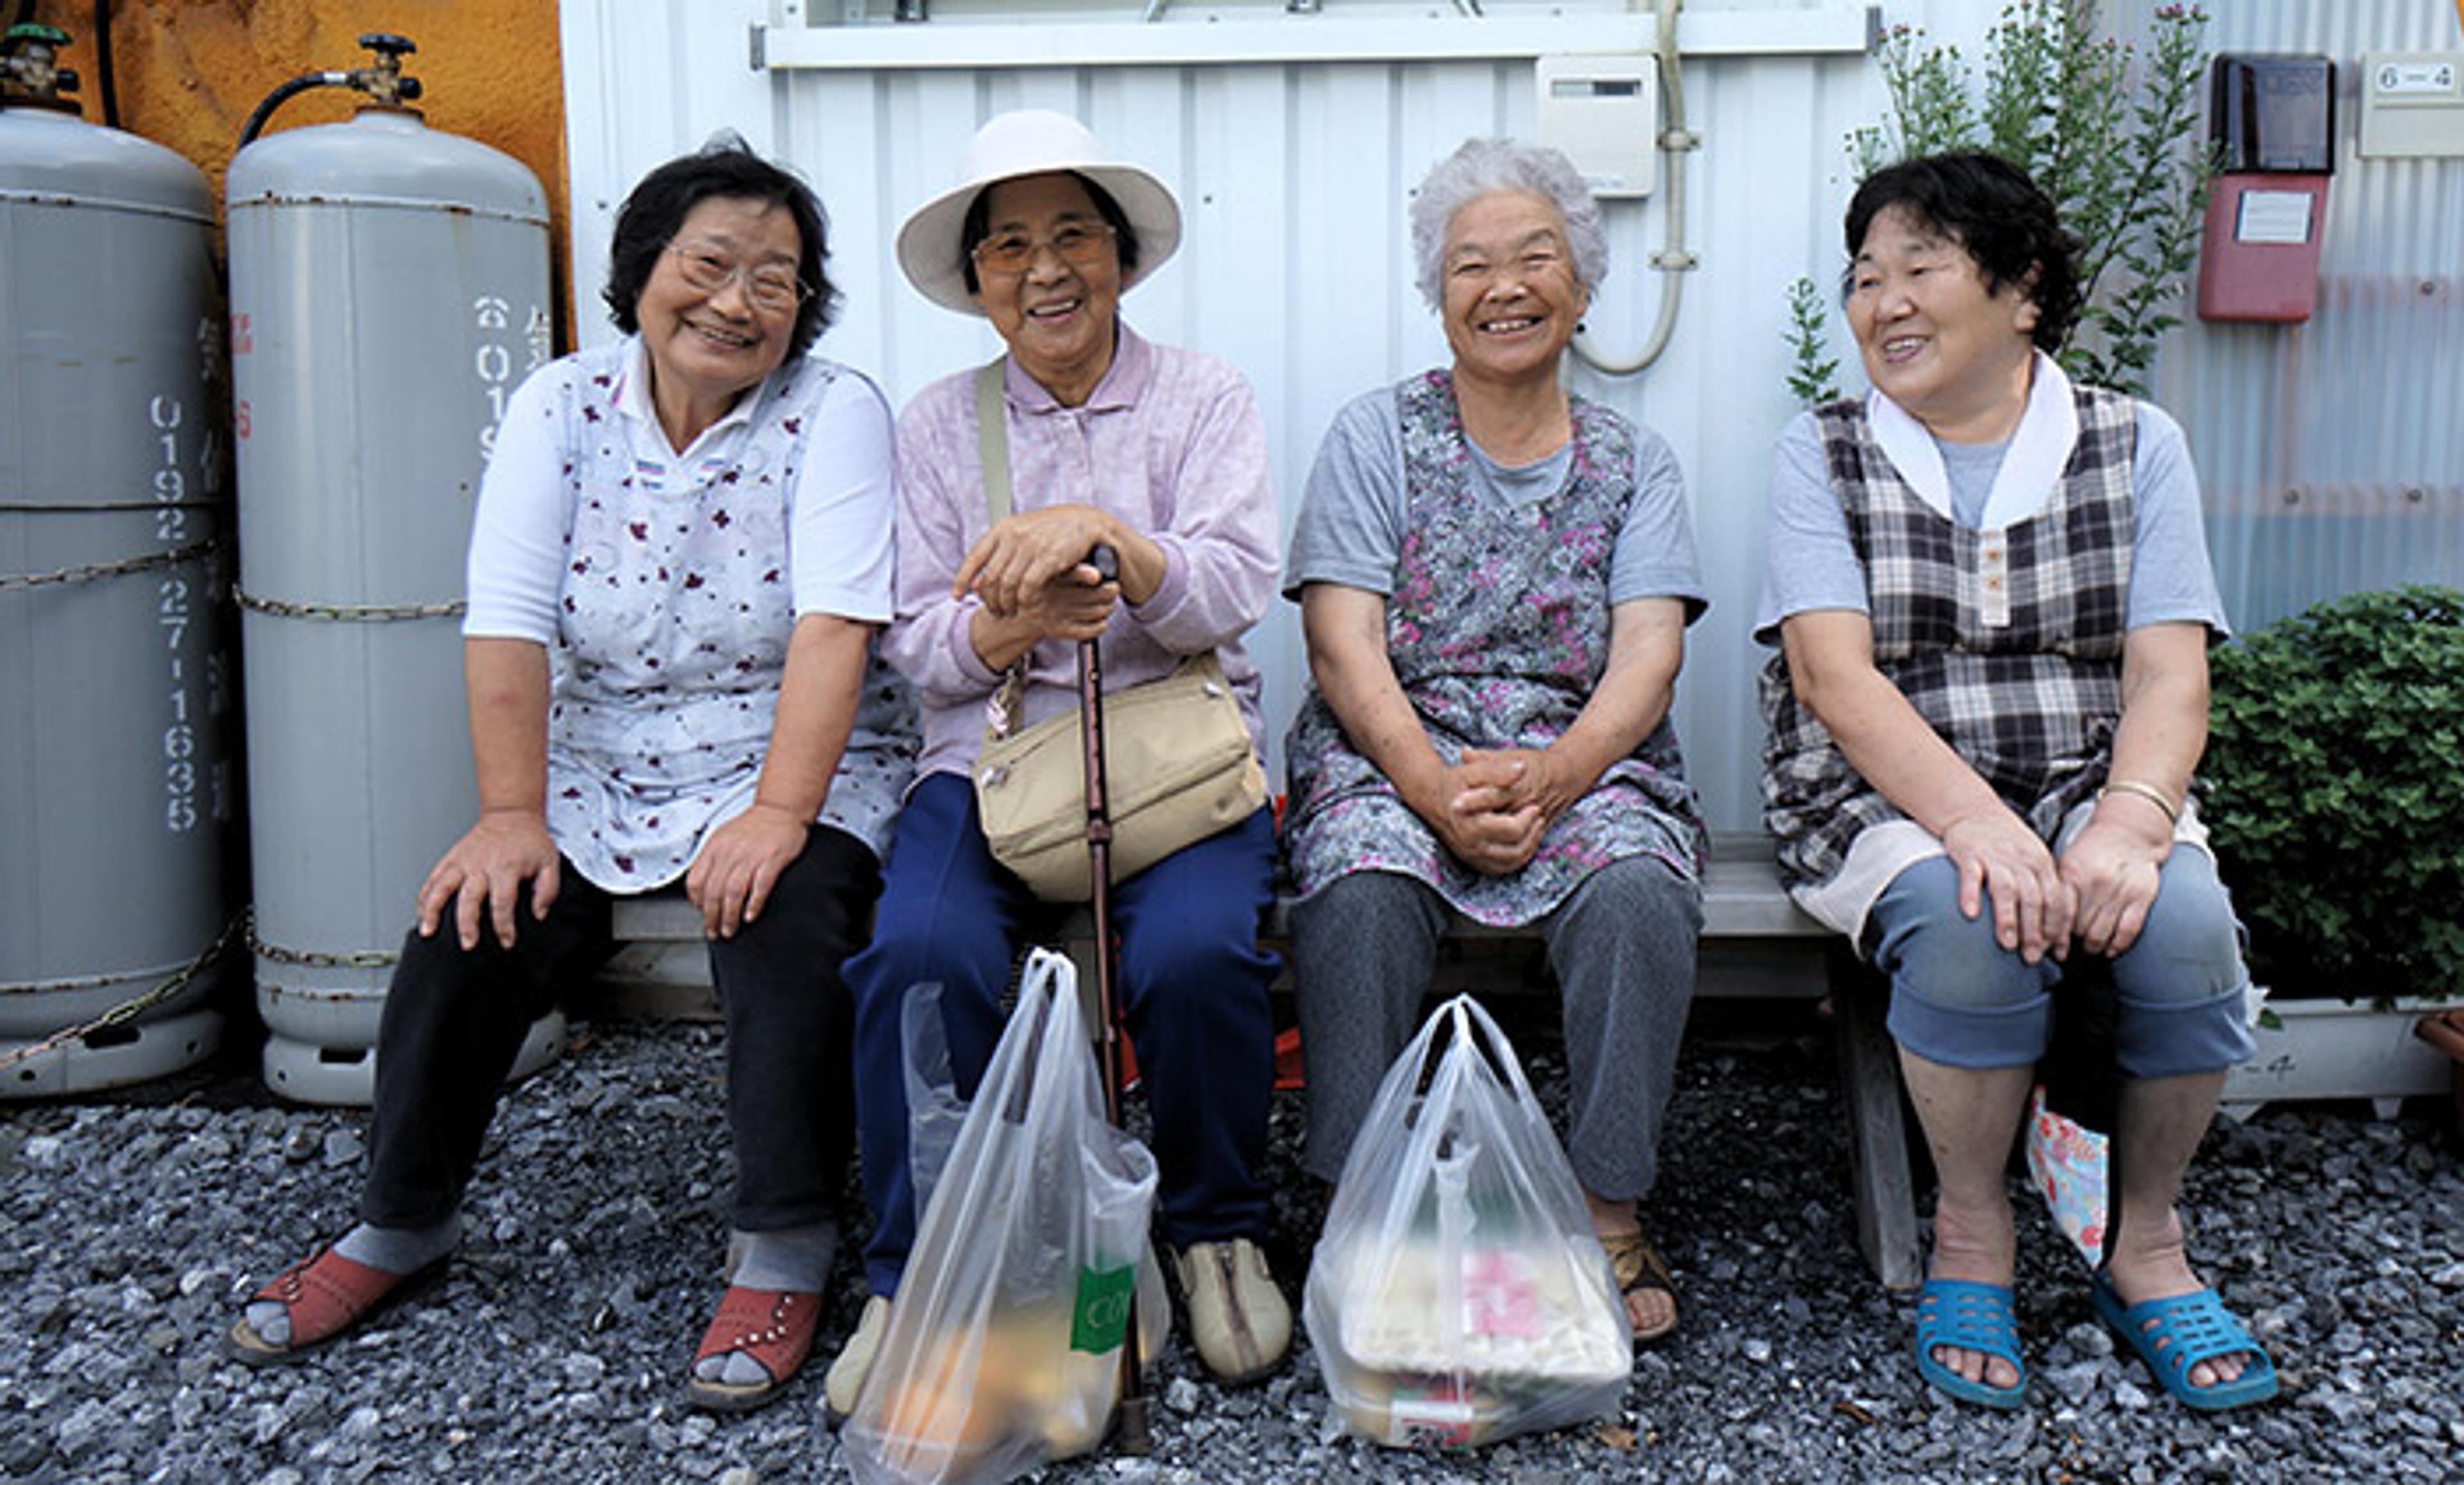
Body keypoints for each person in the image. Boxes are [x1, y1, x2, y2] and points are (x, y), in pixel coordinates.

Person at [225, 139, 914, 1417]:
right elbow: (507, 616)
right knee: (471, 914)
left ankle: (783, 1238)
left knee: (782, 906)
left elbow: (836, 626)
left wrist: (775, 812)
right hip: (600, 762)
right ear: (641, 269)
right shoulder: (561, 404)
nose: (739, 300)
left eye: (778, 278)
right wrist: (507, 814)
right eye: (709, 264)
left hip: (790, 759)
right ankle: (401, 1219)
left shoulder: (837, 411)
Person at [1757, 151, 2277, 1412]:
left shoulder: (2136, 443)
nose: (1883, 302)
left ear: (2023, 292)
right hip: (1877, 788)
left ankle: (2145, 1245)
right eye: (1865, 277)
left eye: (1920, 269)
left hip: (2087, 779)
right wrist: (1976, 825)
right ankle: (1973, 1234)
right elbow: (1835, 677)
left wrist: (2135, 823)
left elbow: (2167, 676)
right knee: (1969, 915)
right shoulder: (1821, 452)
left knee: (2187, 923)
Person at [826, 110, 1288, 1415]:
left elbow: (1236, 585)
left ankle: (1215, 1230)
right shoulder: (935, 425)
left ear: (1123, 257)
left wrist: (1113, 544)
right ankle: (925, 1269)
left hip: (1176, 754)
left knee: (1197, 955)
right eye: (1010, 245)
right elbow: (920, 646)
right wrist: (1015, 623)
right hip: (995, 757)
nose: (1046, 269)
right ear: (977, 280)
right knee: (919, 956)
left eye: (1073, 234)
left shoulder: (1204, 395)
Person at [1280, 137, 1707, 1344]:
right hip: (1394, 751)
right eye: (1472, 264)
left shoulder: (1635, 462)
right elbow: (1342, 645)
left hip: (1582, 760)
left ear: (1583, 284)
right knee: (1357, 885)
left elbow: (1649, 655)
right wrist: (1427, 784)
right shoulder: (1377, 436)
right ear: (1437, 291)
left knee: (1637, 889)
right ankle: (1363, 1215)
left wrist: (1561, 774)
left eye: (1537, 258)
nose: (1505, 286)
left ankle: (1606, 1207)